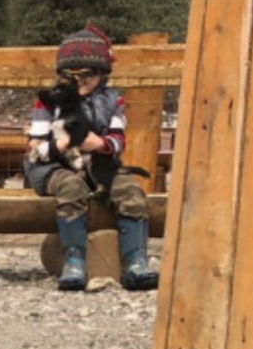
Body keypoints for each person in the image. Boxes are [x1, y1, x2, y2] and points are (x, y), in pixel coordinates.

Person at [24, 24, 157, 292]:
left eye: (87, 75)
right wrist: (61, 145)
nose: (79, 81)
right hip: (52, 165)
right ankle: (74, 261)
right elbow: (34, 149)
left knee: (130, 190)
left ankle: (135, 262)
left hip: (99, 163)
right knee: (72, 188)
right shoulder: (49, 101)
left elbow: (118, 141)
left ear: (101, 74)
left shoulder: (113, 100)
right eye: (70, 75)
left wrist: (100, 144)